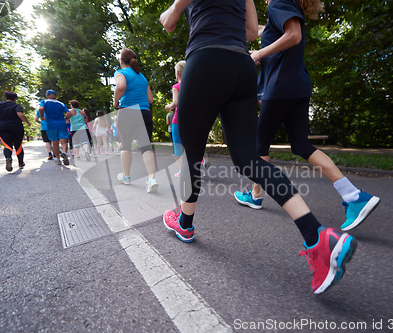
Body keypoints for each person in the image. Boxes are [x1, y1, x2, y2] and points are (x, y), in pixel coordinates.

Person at [160, 0, 357, 294]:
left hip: (205, 60)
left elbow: (169, 20)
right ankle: (317, 236)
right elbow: (251, 31)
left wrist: (173, 11)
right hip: (241, 67)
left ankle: (185, 223)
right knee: (249, 158)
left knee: (191, 155)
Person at [233, 0, 380, 232]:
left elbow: (293, 35)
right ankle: (353, 195)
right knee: (301, 145)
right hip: (297, 86)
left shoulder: (278, 3)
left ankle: (256, 196)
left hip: (281, 87)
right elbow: (263, 31)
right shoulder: (285, 9)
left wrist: (259, 53)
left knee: (258, 147)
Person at [113, 48, 158, 193]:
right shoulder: (142, 77)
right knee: (146, 146)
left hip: (127, 112)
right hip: (144, 112)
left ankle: (126, 177)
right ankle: (152, 179)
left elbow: (120, 86)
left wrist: (115, 101)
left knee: (126, 146)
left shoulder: (121, 73)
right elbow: (150, 99)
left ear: (121, 60)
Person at [0, 91, 31, 171]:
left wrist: (0, 119)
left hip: (2, 127)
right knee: (18, 145)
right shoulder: (16, 105)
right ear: (15, 98)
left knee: (7, 145)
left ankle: (8, 158)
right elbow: (20, 114)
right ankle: (21, 163)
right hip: (16, 127)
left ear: (5, 97)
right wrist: (27, 122)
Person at [165, 60, 186, 177]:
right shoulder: (193, 85)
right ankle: (201, 157)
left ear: (177, 73)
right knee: (190, 144)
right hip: (192, 120)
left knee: (178, 146)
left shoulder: (176, 86)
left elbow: (175, 103)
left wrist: (168, 106)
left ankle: (182, 171)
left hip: (178, 120)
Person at [38, 89, 70, 166]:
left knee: (54, 142)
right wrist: (64, 119)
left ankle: (58, 159)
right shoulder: (61, 103)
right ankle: (65, 153)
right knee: (63, 141)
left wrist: (42, 116)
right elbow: (68, 113)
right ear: (55, 96)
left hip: (51, 124)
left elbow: (41, 108)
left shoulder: (44, 101)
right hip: (61, 124)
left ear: (47, 95)